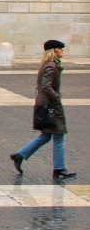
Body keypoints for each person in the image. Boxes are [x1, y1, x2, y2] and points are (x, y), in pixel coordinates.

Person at [10, 40, 76, 179]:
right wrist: (57, 97)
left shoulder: (48, 65)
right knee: (58, 137)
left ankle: (20, 155)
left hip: (46, 106)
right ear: (54, 51)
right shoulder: (52, 66)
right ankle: (59, 168)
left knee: (46, 136)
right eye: (60, 48)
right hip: (51, 106)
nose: (63, 51)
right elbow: (46, 86)